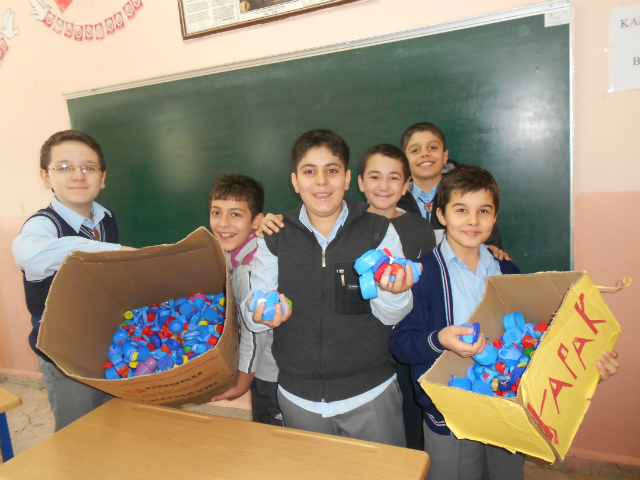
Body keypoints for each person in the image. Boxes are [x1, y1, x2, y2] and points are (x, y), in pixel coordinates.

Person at [389, 165, 620, 479]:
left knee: (507, 474)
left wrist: (587, 364)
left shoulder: (506, 270)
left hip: (508, 411)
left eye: (483, 210)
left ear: (494, 218)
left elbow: (534, 337)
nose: (473, 220)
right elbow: (401, 345)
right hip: (450, 417)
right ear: (441, 216)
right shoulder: (423, 274)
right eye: (461, 210)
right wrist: (440, 339)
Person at [241, 129, 416, 447]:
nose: (321, 182)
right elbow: (252, 309)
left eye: (331, 171)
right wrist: (261, 311)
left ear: (347, 178)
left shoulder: (378, 232)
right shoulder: (275, 235)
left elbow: (393, 316)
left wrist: (393, 289)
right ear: (295, 181)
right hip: (298, 399)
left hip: (371, 394)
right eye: (309, 171)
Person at [12, 130, 131, 432]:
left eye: (88, 168)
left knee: (111, 422)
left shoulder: (106, 218)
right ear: (46, 177)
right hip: (63, 356)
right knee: (76, 432)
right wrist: (111, 252)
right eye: (64, 167)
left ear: (102, 178)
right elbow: (30, 256)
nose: (78, 175)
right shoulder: (43, 224)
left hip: (106, 346)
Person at [208, 173, 283, 426]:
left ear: (256, 221)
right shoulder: (237, 253)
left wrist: (241, 384)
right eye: (216, 212)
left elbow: (254, 332)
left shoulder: (249, 270)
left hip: (270, 373)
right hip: (260, 369)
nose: (223, 223)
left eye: (236, 214)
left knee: (275, 436)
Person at [397, 122, 504, 250]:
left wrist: (492, 249)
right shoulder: (394, 198)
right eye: (415, 150)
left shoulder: (467, 190)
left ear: (445, 156)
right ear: (404, 161)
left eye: (433, 148)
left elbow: (490, 241)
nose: (425, 154)